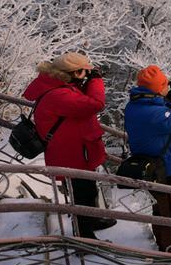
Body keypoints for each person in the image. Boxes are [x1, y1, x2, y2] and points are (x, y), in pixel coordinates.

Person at [23, 52, 116, 239]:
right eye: (84, 72)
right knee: (81, 193)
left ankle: (92, 220)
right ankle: (84, 236)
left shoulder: (59, 86)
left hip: (74, 148)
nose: (87, 75)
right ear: (74, 73)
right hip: (70, 152)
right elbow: (96, 104)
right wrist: (96, 82)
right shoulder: (59, 94)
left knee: (88, 189)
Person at [124, 65, 171, 255]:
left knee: (161, 207)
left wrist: (170, 98)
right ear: (156, 89)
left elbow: (158, 114)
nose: (167, 87)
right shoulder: (154, 114)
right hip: (166, 169)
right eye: (164, 85)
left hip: (155, 166)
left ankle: (163, 240)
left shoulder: (136, 104)